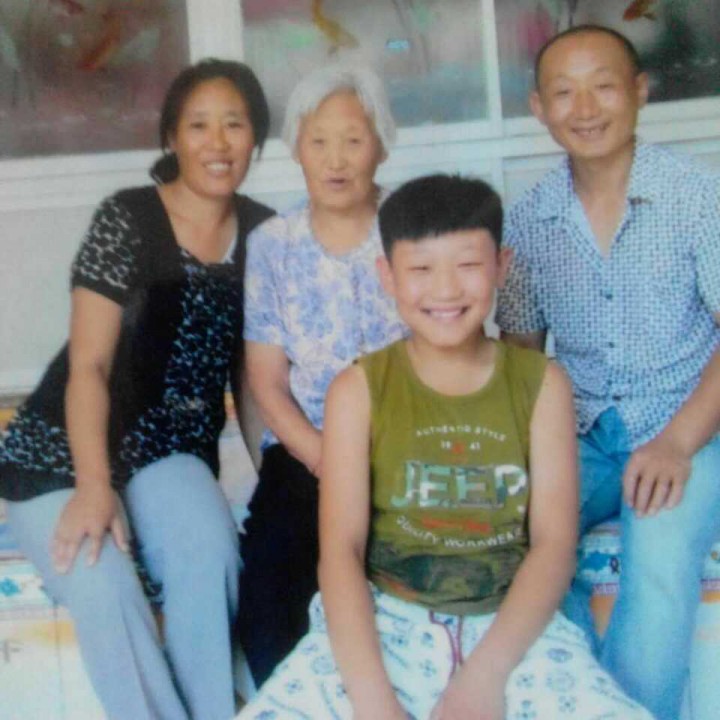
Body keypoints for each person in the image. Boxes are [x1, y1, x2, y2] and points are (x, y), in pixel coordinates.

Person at [236, 174, 654, 719]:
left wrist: (485, 677)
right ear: (387, 276)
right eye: (421, 270)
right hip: (386, 621)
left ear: (502, 266)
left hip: (512, 628)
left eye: (467, 265)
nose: (446, 290)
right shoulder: (357, 391)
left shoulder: (543, 385)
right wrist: (374, 702)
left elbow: (553, 545)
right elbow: (341, 552)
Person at [0, 58, 275, 720]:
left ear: (257, 138)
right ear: (171, 137)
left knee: (212, 554)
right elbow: (89, 367)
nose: (217, 143)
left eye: (234, 124)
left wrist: (273, 483)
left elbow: (252, 377)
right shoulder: (127, 217)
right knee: (102, 582)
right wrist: (95, 486)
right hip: (61, 450)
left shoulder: (266, 234)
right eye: (198, 125)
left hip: (170, 452)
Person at [495, 24, 720, 720]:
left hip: (688, 424)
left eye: (604, 86)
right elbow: (520, 357)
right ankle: (577, 700)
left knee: (658, 558)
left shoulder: (697, 195)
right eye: (565, 92)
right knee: (520, 537)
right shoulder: (529, 220)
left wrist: (677, 443)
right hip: (584, 431)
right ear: (539, 107)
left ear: (640, 91)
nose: (585, 108)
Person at [237, 61, 406, 687]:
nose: (336, 160)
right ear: (296, 149)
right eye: (318, 141)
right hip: (305, 452)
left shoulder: (410, 229)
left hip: (405, 447)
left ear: (381, 146)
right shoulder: (273, 243)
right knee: (269, 598)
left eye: (353, 140)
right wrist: (320, 456)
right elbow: (266, 380)